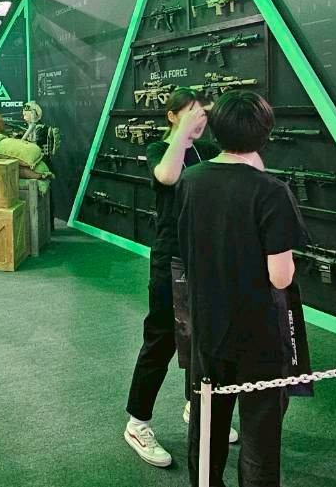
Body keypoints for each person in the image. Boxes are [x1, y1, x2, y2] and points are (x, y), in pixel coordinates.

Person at [180, 90, 305, 487]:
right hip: (259, 332)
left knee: (207, 427)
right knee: (260, 437)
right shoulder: (272, 191)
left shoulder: (191, 180)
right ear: (264, 133)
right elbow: (280, 276)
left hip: (207, 324)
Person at [123, 89, 234, 469]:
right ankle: (137, 424)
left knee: (202, 338)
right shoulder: (160, 149)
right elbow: (167, 176)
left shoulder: (207, 151)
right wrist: (183, 134)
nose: (199, 119)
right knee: (161, 341)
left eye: (201, 113)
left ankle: (195, 406)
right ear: (172, 116)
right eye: (189, 112)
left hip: (205, 260)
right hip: (170, 259)